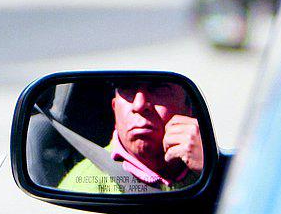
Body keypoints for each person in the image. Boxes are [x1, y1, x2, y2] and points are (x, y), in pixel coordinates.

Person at [59, 82, 203, 193]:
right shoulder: (80, 185)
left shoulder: (209, 165)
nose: (139, 105)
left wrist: (207, 167)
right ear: (115, 109)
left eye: (159, 88)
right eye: (128, 88)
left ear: (188, 109)